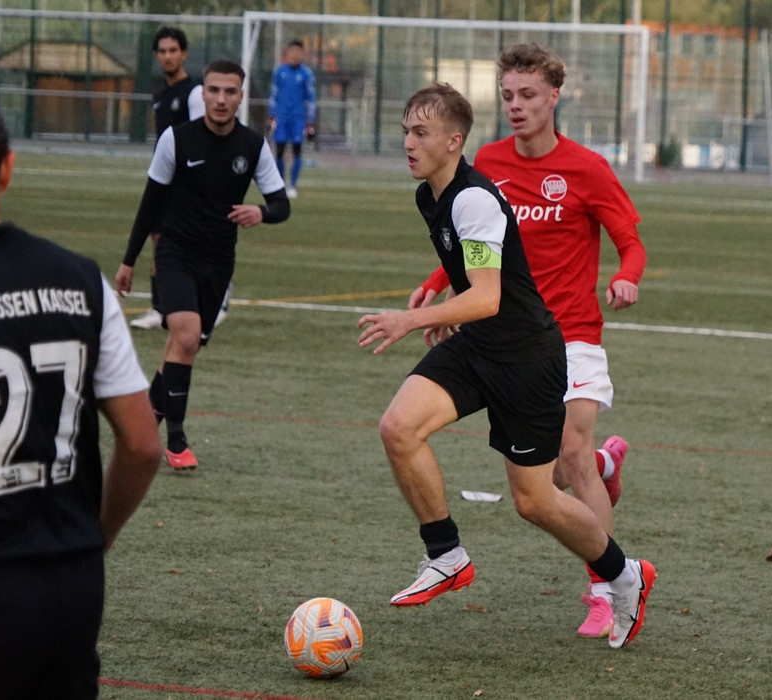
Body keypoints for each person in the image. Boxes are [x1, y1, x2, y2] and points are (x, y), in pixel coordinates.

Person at [358, 83, 655, 650]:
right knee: (398, 427)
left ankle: (625, 576)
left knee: (535, 501)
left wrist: (413, 319)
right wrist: (447, 308)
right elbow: (476, 282)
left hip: (527, 359)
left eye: (420, 133)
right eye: (405, 132)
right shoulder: (430, 196)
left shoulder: (472, 199)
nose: (408, 144)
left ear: (454, 141)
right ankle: (446, 554)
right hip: (479, 347)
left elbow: (489, 296)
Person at [0, 88, 162, 699]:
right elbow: (142, 444)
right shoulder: (80, 278)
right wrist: (94, 536)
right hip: (71, 581)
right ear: (8, 168)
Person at [115, 60, 290, 470]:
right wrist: (129, 261)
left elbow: (281, 204)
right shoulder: (176, 139)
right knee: (186, 334)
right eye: (213, 90)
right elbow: (150, 203)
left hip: (219, 260)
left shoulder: (253, 145)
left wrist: (261, 212)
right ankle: (176, 442)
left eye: (230, 92)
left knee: (184, 346)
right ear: (203, 94)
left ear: (241, 97)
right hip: (174, 253)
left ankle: (142, 430)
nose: (221, 99)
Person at [131, 26, 206, 332]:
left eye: (173, 50)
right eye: (162, 51)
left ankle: (191, 302)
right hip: (163, 181)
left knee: (183, 245)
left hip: (185, 183)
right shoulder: (160, 95)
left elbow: (202, 138)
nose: (167, 56)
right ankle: (160, 308)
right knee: (159, 242)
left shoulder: (195, 93)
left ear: (184, 53)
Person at [268, 38, 317, 199]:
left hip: (298, 119)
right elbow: (274, 95)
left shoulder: (306, 74)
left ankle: (293, 186)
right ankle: (280, 185)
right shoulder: (279, 72)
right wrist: (271, 116)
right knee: (279, 150)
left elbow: (311, 99)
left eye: (298, 52)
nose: (295, 55)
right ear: (288, 53)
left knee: (297, 150)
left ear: (302, 54)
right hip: (282, 118)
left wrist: (310, 122)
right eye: (292, 52)